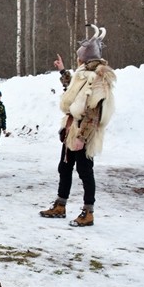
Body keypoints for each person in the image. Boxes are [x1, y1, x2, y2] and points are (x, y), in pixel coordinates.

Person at [40, 25, 115, 227]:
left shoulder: (99, 78)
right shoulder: (83, 74)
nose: (78, 60)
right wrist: (63, 71)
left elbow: (94, 113)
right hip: (71, 130)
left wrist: (82, 137)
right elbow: (72, 93)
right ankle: (60, 205)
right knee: (64, 168)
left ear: (86, 58)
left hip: (83, 133)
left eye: (79, 57)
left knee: (84, 171)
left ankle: (88, 212)